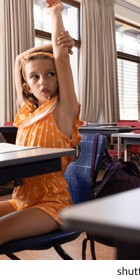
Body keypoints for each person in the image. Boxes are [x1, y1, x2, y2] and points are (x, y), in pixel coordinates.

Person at [0, 0, 82, 245]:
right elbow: (18, 60)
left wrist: (56, 14)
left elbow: (61, 59)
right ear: (27, 86)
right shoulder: (25, 112)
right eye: (35, 77)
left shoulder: (64, 110)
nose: (43, 81)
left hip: (52, 205)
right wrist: (54, 45)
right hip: (21, 199)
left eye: (50, 74)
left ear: (58, 78)